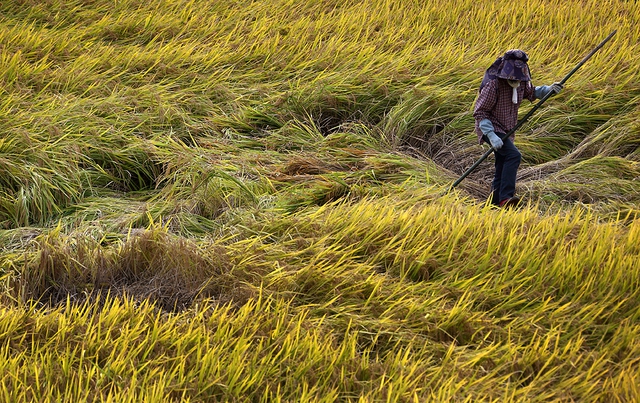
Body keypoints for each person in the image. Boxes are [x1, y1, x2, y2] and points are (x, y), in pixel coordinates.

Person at [473, 49, 562, 208]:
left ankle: (495, 201)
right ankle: (506, 198)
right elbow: (480, 112)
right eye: (513, 77)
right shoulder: (493, 85)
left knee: (502, 161)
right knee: (513, 155)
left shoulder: (521, 83)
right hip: (490, 126)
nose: (516, 80)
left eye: (519, 77)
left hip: (507, 128)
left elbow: (531, 92)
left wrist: (548, 90)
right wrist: (492, 135)